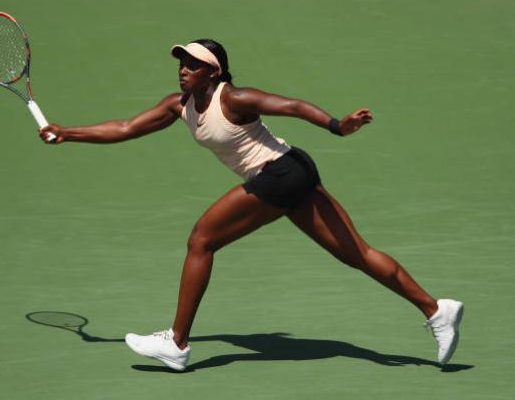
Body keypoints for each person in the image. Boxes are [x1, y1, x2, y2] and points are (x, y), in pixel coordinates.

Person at [39, 39, 464, 371]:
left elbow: (292, 105)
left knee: (201, 240)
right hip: (293, 174)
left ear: (214, 71)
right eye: (181, 64)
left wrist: (337, 125)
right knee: (358, 254)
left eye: (192, 65)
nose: (183, 70)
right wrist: (68, 133)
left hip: (280, 173)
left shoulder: (234, 99)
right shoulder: (179, 105)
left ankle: (177, 343)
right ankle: (436, 310)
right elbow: (127, 127)